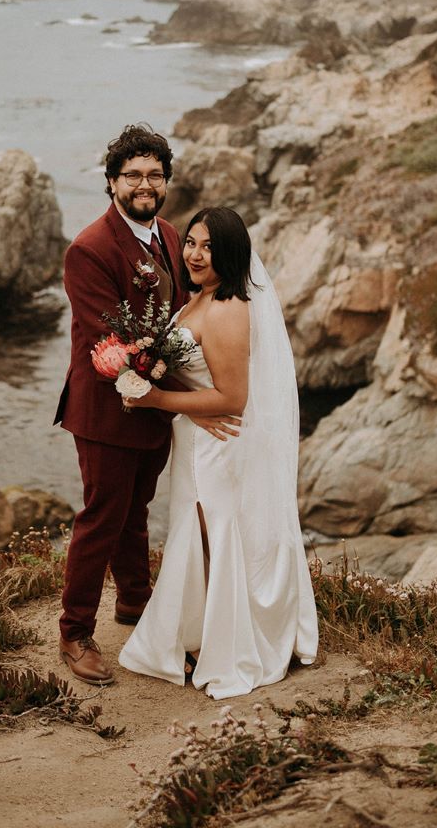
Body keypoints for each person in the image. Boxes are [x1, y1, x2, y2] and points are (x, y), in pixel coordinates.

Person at [119, 207, 319, 699]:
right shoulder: (197, 300)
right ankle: (202, 634)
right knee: (200, 533)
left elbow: (232, 399)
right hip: (194, 438)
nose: (194, 253)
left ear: (229, 252)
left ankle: (226, 642)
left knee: (217, 534)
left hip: (219, 443)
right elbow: (194, 373)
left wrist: (156, 398)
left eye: (207, 246)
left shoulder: (229, 308)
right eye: (190, 242)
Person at [54, 124, 228, 685]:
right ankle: (75, 631)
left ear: (166, 181)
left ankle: (134, 601)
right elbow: (108, 339)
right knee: (102, 517)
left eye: (154, 175)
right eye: (133, 175)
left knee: (137, 511)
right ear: (112, 183)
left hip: (156, 404)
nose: (144, 184)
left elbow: (184, 310)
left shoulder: (173, 237)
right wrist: (190, 389)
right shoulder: (89, 249)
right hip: (106, 412)